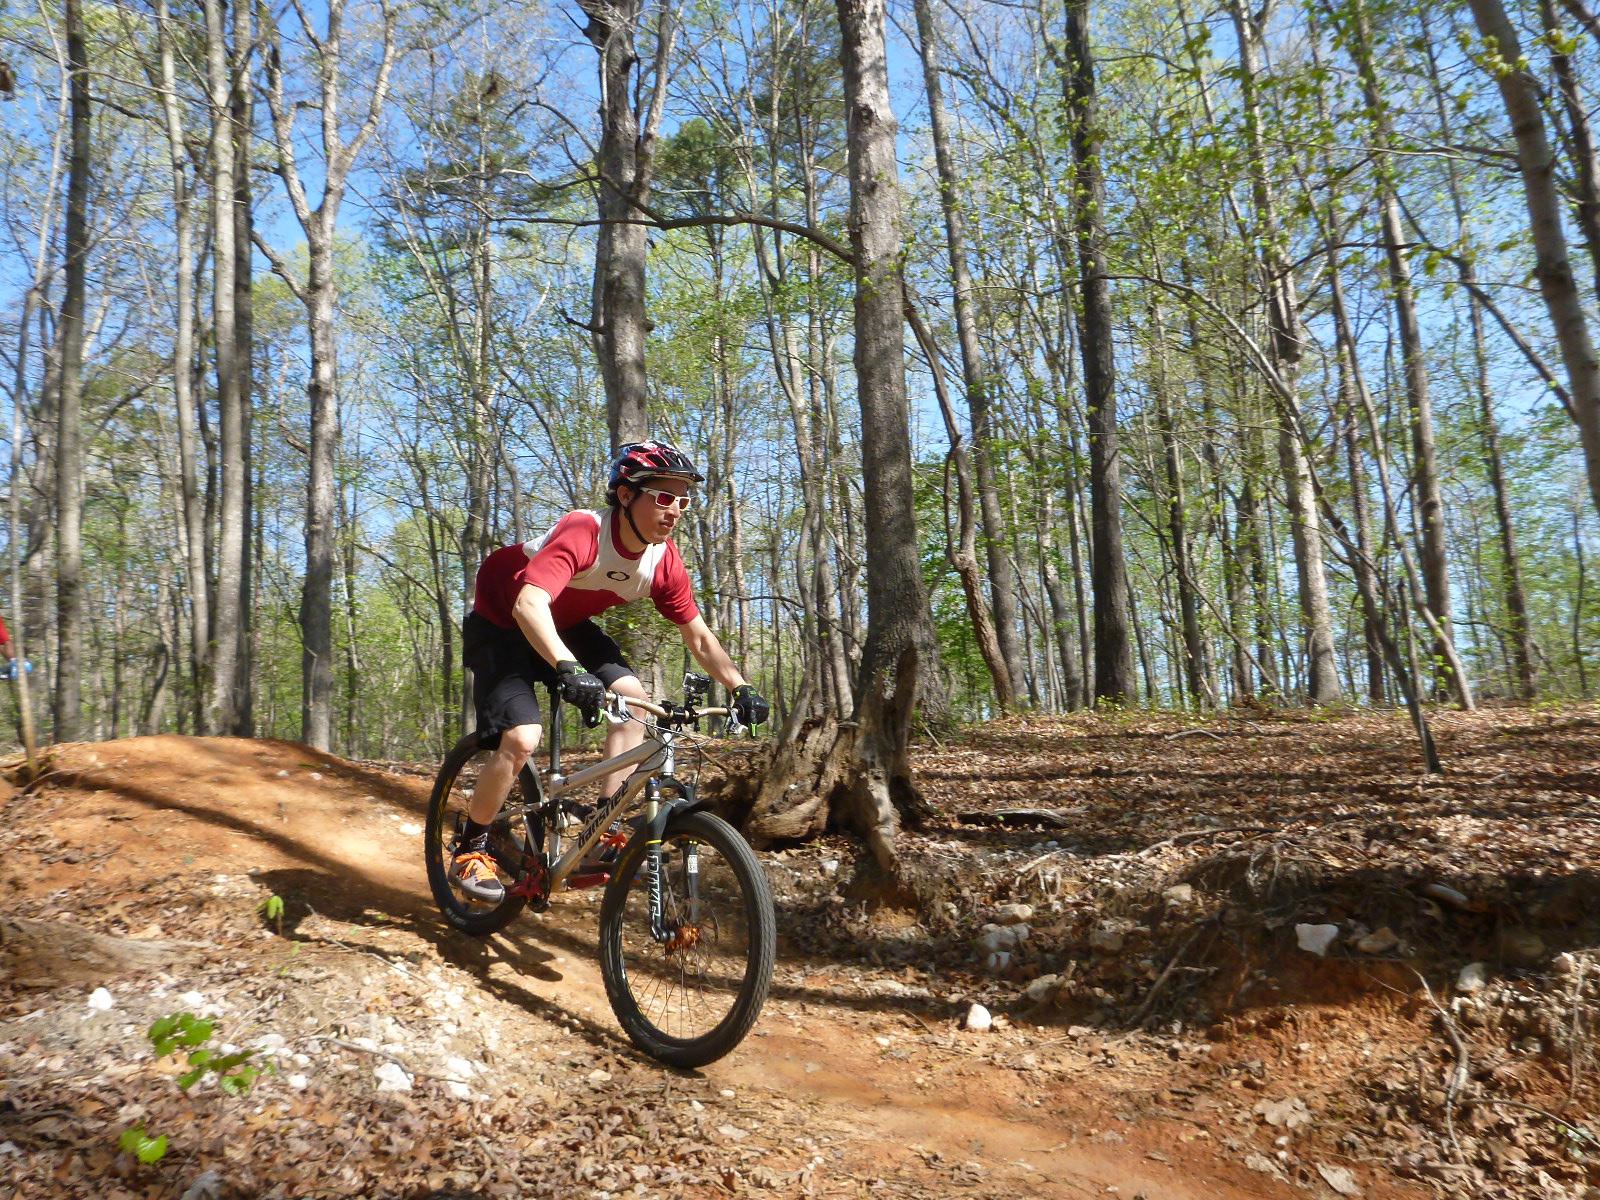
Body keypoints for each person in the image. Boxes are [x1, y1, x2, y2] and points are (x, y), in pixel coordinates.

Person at [450, 440, 770, 903]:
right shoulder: (584, 531)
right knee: (521, 737)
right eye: (663, 497)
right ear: (625, 496)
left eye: (683, 500)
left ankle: (602, 826)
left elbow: (699, 637)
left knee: (634, 704)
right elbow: (528, 603)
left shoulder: (663, 561)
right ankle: (471, 847)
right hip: (503, 618)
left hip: (565, 621)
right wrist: (567, 667)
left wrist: (740, 686)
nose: (675, 510)